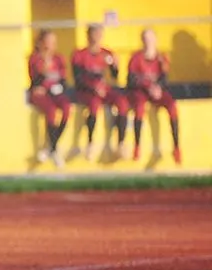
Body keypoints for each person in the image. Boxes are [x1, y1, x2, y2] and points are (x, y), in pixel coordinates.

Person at [70, 24, 130, 161]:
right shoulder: (79, 55)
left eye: (99, 34)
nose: (97, 38)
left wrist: (116, 67)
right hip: (88, 91)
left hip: (104, 90)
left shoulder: (107, 54)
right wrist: (93, 87)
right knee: (94, 105)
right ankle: (90, 143)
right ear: (88, 36)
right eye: (94, 34)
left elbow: (114, 76)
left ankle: (121, 143)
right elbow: (78, 79)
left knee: (122, 102)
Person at [127, 29, 182, 165]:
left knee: (172, 106)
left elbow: (164, 78)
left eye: (151, 38)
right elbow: (131, 79)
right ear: (142, 40)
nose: (148, 41)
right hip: (142, 92)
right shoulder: (136, 58)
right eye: (146, 38)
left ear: (155, 40)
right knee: (139, 108)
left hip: (157, 91)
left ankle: (176, 147)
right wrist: (148, 86)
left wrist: (158, 88)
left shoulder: (161, 57)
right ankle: (137, 146)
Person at [27, 29, 70, 167]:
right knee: (50, 110)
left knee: (66, 108)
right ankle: (53, 149)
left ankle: (52, 146)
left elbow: (63, 80)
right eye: (49, 41)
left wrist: (56, 87)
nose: (52, 45)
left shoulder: (59, 59)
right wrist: (43, 72)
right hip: (40, 93)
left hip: (55, 91)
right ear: (41, 42)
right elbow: (35, 81)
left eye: (53, 42)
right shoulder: (35, 58)